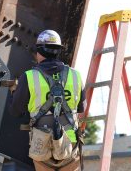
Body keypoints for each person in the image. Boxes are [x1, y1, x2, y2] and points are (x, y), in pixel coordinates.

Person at [9, 30, 86, 171]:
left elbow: (16, 111)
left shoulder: (28, 77)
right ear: (58, 51)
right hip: (70, 144)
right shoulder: (75, 76)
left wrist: (15, 92)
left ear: (39, 51)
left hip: (41, 144)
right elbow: (81, 108)